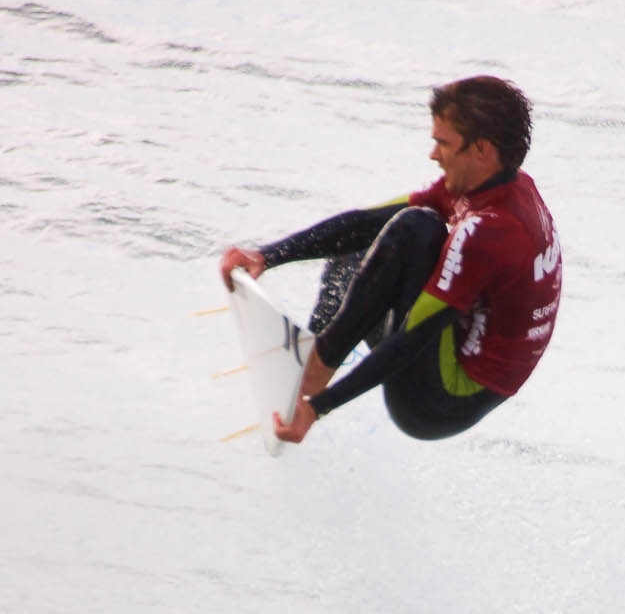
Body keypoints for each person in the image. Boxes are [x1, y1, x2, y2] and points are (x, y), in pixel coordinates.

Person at [219, 76, 561, 445]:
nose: (433, 154)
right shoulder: (498, 184)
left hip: (438, 403)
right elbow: (367, 222)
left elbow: (413, 338)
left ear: (481, 150)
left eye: (443, 143)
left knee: (415, 229)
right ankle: (316, 349)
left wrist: (318, 408)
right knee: (367, 246)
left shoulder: (490, 232)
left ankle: (313, 374)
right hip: (451, 353)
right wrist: (268, 255)